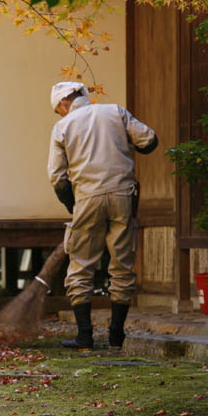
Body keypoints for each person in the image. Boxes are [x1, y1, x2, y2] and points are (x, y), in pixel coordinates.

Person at [47, 81, 158, 350]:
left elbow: (57, 177)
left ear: (63, 103)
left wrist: (72, 204)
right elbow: (149, 140)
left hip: (87, 197)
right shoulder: (115, 112)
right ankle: (116, 337)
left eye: (59, 110)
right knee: (122, 264)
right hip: (122, 195)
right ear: (82, 96)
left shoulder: (63, 126)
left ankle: (84, 337)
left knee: (81, 265)